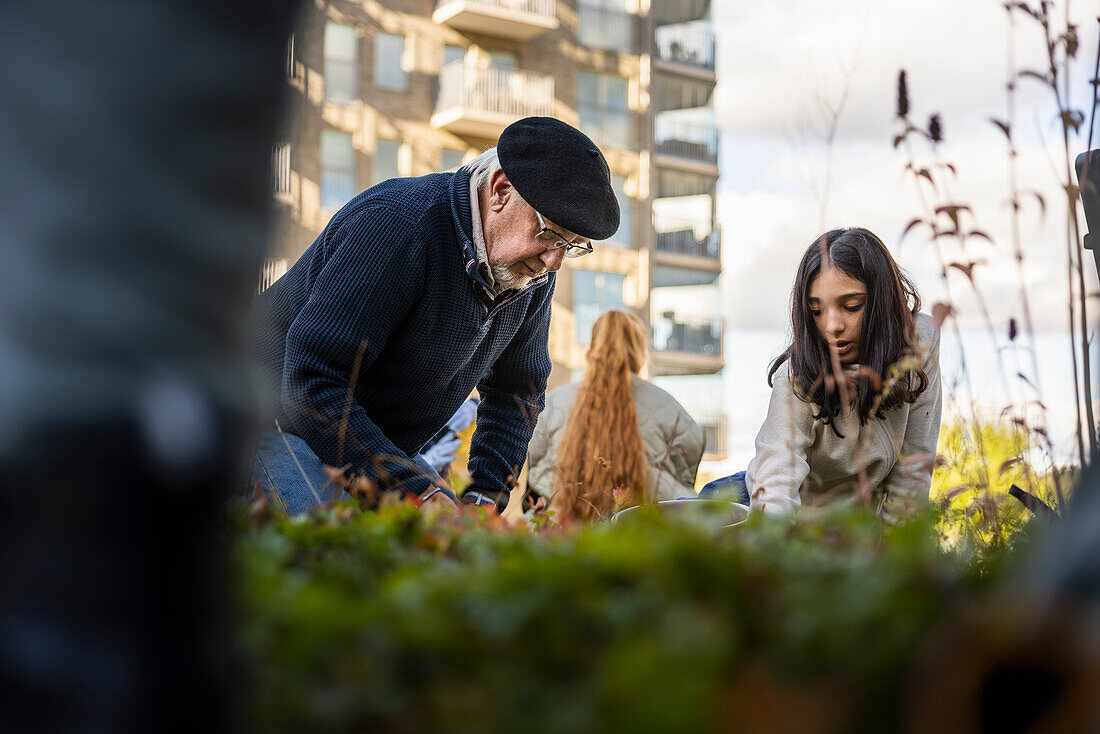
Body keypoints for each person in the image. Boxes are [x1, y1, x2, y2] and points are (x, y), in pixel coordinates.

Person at [250, 116, 619, 514]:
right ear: (500, 191)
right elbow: (312, 378)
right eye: (548, 233)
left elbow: (517, 393)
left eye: (573, 245)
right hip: (267, 419)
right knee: (323, 555)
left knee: (446, 550)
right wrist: (415, 490)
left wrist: (483, 499)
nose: (554, 262)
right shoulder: (397, 224)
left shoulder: (531, 272)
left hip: (370, 439)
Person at [704, 227, 941, 522]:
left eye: (851, 306)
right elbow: (776, 486)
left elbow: (912, 474)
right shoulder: (796, 377)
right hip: (759, 500)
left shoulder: (920, 343)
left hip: (846, 524)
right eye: (816, 311)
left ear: (882, 301)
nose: (832, 326)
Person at [526, 309, 705, 522]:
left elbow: (535, 476)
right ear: (639, 355)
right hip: (646, 537)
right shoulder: (670, 408)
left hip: (563, 537)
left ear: (590, 352)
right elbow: (685, 474)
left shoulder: (552, 403)